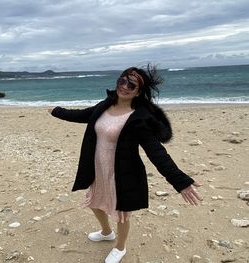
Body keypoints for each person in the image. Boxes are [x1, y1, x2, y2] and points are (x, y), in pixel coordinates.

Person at [48, 64, 202, 263]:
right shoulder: (106, 105)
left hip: (122, 173)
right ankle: (106, 232)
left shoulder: (140, 118)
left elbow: (157, 153)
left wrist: (180, 181)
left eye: (132, 84)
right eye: (123, 80)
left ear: (139, 91)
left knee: (121, 214)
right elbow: (82, 115)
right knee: (94, 202)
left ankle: (120, 247)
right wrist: (56, 111)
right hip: (98, 169)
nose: (125, 86)